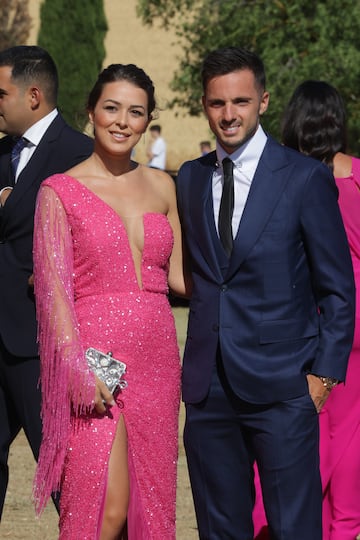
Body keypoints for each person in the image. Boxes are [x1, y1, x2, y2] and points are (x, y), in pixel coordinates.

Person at [175, 46, 355, 540]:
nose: (228, 114)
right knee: (219, 529)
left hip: (285, 388)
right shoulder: (190, 178)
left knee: (294, 528)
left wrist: (323, 377)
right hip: (208, 391)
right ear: (204, 105)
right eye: (217, 103)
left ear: (264, 102)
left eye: (240, 101)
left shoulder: (304, 178)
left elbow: (338, 288)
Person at [32, 63, 189, 539]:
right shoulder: (58, 192)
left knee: (152, 505)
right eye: (112, 108)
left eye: (136, 112)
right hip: (96, 366)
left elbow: (184, 278)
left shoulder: (164, 186)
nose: (123, 121)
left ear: (147, 120)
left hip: (159, 362)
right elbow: (53, 294)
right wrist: (76, 368)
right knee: (104, 511)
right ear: (91, 112)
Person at [0, 45, 93, 520]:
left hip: (44, 346)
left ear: (32, 94)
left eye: (1, 93)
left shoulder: (81, 154)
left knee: (64, 472)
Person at [281, 80, 360, 540]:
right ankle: (345, 527)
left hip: (304, 313)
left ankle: (278, 524)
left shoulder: (290, 177)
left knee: (297, 427)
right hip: (354, 318)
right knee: (350, 430)